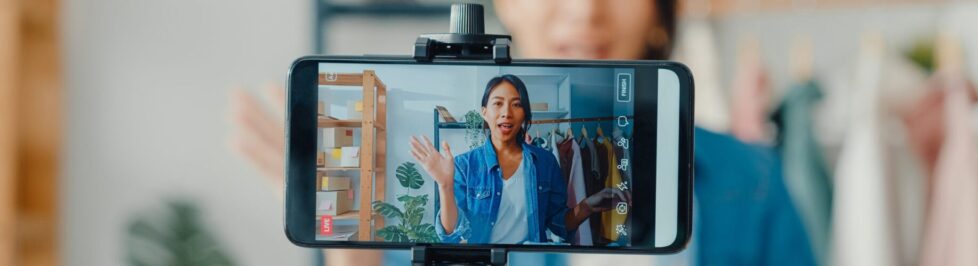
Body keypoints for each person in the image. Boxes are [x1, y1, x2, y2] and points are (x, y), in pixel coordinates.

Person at [232, 0, 814, 265]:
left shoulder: (751, 182)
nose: (586, 11)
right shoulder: (459, 172)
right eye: (497, 106)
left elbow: (564, 219)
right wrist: (352, 254)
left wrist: (593, 206)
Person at [408, 75, 627, 244]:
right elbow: (451, 234)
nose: (507, 113)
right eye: (498, 104)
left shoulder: (545, 161)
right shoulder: (465, 166)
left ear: (525, 114)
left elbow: (560, 224)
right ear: (484, 112)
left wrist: (587, 206)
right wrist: (445, 186)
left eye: (516, 104)